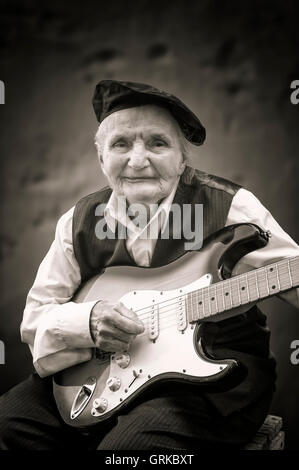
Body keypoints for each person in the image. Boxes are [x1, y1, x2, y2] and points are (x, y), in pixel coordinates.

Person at [0, 80, 299, 450]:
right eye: (121, 144)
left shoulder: (231, 206)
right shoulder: (77, 222)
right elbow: (35, 319)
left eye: (158, 143)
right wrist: (87, 322)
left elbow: (293, 276)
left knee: (127, 454)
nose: (138, 160)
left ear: (182, 157)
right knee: (7, 425)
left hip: (213, 382)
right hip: (100, 375)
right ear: (101, 157)